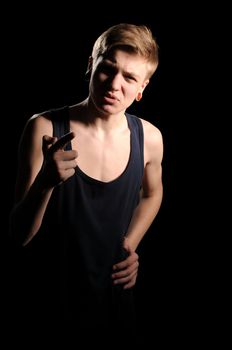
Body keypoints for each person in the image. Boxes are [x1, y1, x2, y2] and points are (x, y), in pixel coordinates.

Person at [10, 23, 163, 339]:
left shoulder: (149, 138)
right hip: (50, 306)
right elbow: (18, 236)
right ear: (91, 65)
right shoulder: (45, 128)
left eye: (130, 78)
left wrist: (129, 245)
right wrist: (45, 183)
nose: (114, 85)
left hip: (114, 303)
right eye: (108, 69)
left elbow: (153, 194)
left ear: (142, 88)